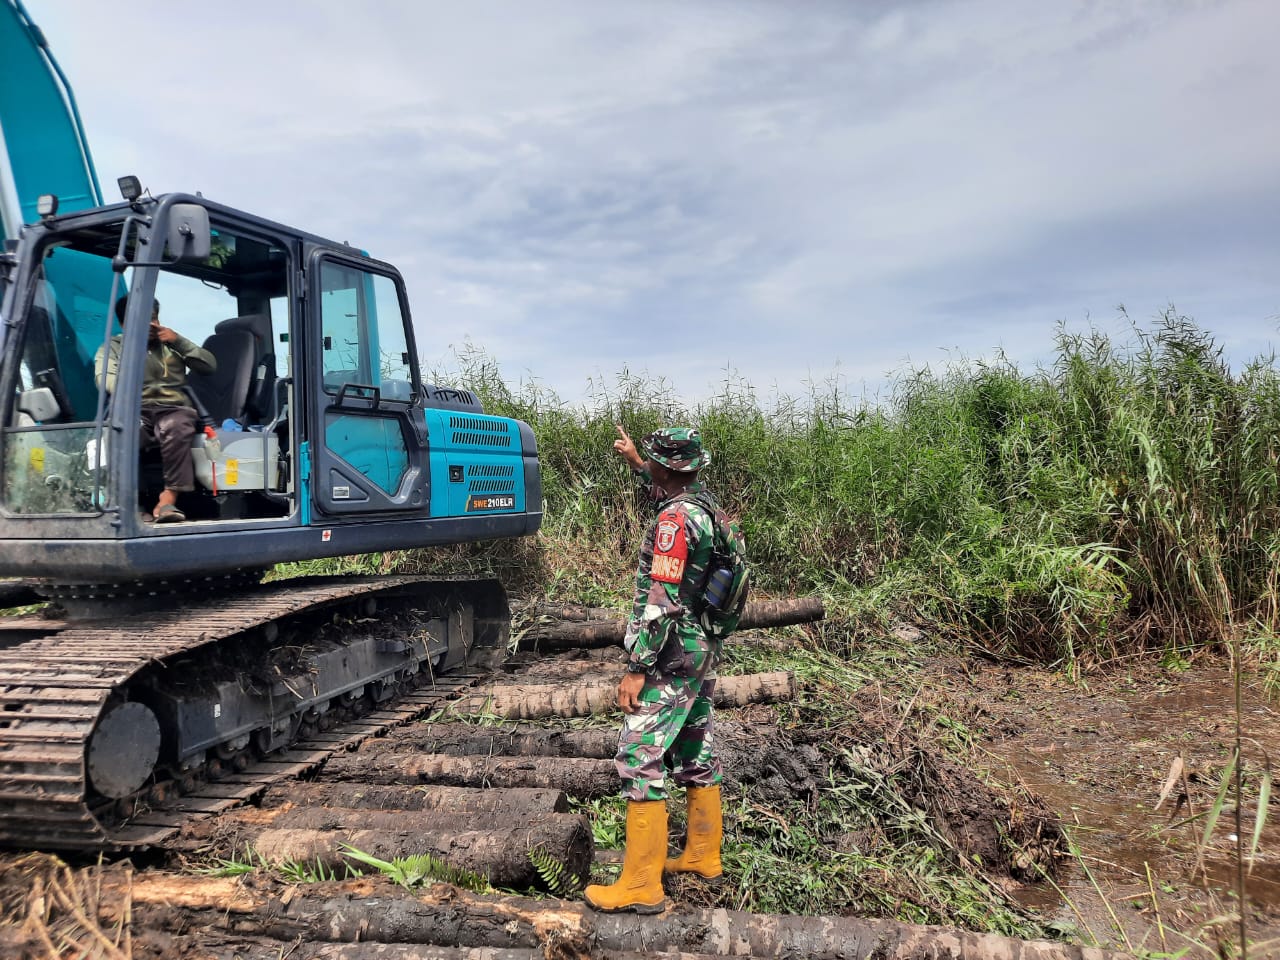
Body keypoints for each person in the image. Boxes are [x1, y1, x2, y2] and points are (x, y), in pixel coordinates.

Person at [583, 425, 726, 914]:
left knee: (640, 754)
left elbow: (661, 601)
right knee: (694, 746)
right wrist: (636, 462)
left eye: (653, 463)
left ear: (668, 468)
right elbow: (663, 481)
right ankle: (704, 854)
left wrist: (637, 667)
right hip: (704, 647)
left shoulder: (671, 524)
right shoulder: (706, 509)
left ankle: (642, 883)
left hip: (670, 652)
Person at [94, 295, 216, 522]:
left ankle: (168, 499)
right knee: (122, 430)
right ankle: (132, 504)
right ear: (124, 324)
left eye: (152, 318)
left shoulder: (172, 344)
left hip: (174, 409)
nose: (149, 324)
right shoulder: (113, 348)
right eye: (140, 320)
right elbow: (105, 380)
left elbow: (209, 365)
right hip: (135, 410)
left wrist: (178, 341)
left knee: (176, 426)